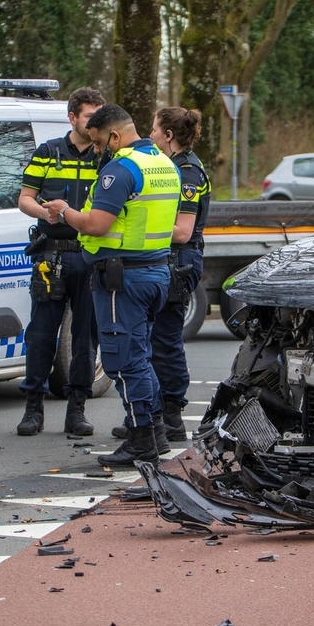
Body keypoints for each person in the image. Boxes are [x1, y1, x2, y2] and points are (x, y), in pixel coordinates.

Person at [44, 104, 180, 466]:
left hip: (123, 278)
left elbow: (96, 225)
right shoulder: (166, 165)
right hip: (155, 272)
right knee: (142, 356)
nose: (99, 148)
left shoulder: (121, 169)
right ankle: (157, 434)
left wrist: (64, 210)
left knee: (123, 362)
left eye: (100, 141)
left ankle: (140, 441)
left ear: (115, 135)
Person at [111, 107, 211, 443]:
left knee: (166, 341)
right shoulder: (170, 167)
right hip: (164, 262)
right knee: (150, 340)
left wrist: (132, 228)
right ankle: (150, 414)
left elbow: (182, 231)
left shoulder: (188, 173)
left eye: (154, 129)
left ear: (168, 135)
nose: (150, 135)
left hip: (178, 262)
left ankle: (171, 417)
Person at [15, 87, 106, 437]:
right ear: (72, 118)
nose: (95, 123)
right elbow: (25, 198)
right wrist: (44, 213)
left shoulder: (107, 158)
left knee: (85, 338)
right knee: (41, 335)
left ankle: (77, 409)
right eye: (89, 116)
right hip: (51, 255)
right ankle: (33, 408)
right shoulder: (48, 152)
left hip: (89, 256)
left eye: (100, 116)